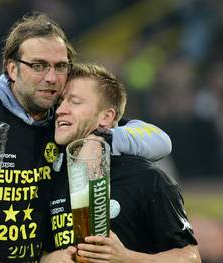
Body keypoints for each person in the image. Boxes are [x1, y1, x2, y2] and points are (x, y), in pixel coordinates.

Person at [0, 13, 172, 263]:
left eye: (60, 66)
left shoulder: (61, 121)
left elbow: (159, 140)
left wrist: (102, 139)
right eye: (38, 66)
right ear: (12, 69)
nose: (51, 77)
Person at [42, 63, 200, 263]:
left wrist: (126, 258)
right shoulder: (51, 178)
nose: (60, 110)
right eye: (60, 101)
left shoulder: (147, 179)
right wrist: (48, 259)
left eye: (75, 102)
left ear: (106, 117)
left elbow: (190, 258)